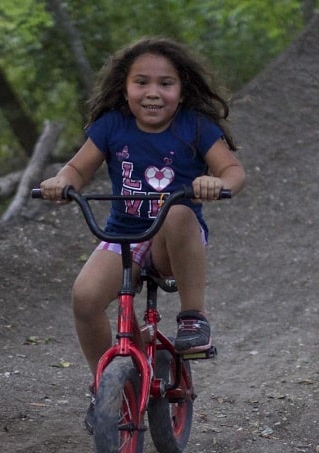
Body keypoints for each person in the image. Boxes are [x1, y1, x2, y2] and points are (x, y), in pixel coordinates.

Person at [38, 37, 246, 433]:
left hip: (172, 241)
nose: (153, 93)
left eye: (165, 84)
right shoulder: (112, 126)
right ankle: (107, 388)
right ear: (124, 87)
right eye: (142, 82)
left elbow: (233, 172)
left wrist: (215, 183)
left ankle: (192, 317)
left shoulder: (195, 127)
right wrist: (62, 181)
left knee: (180, 209)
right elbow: (79, 169)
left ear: (182, 89)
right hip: (123, 237)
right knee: (84, 297)